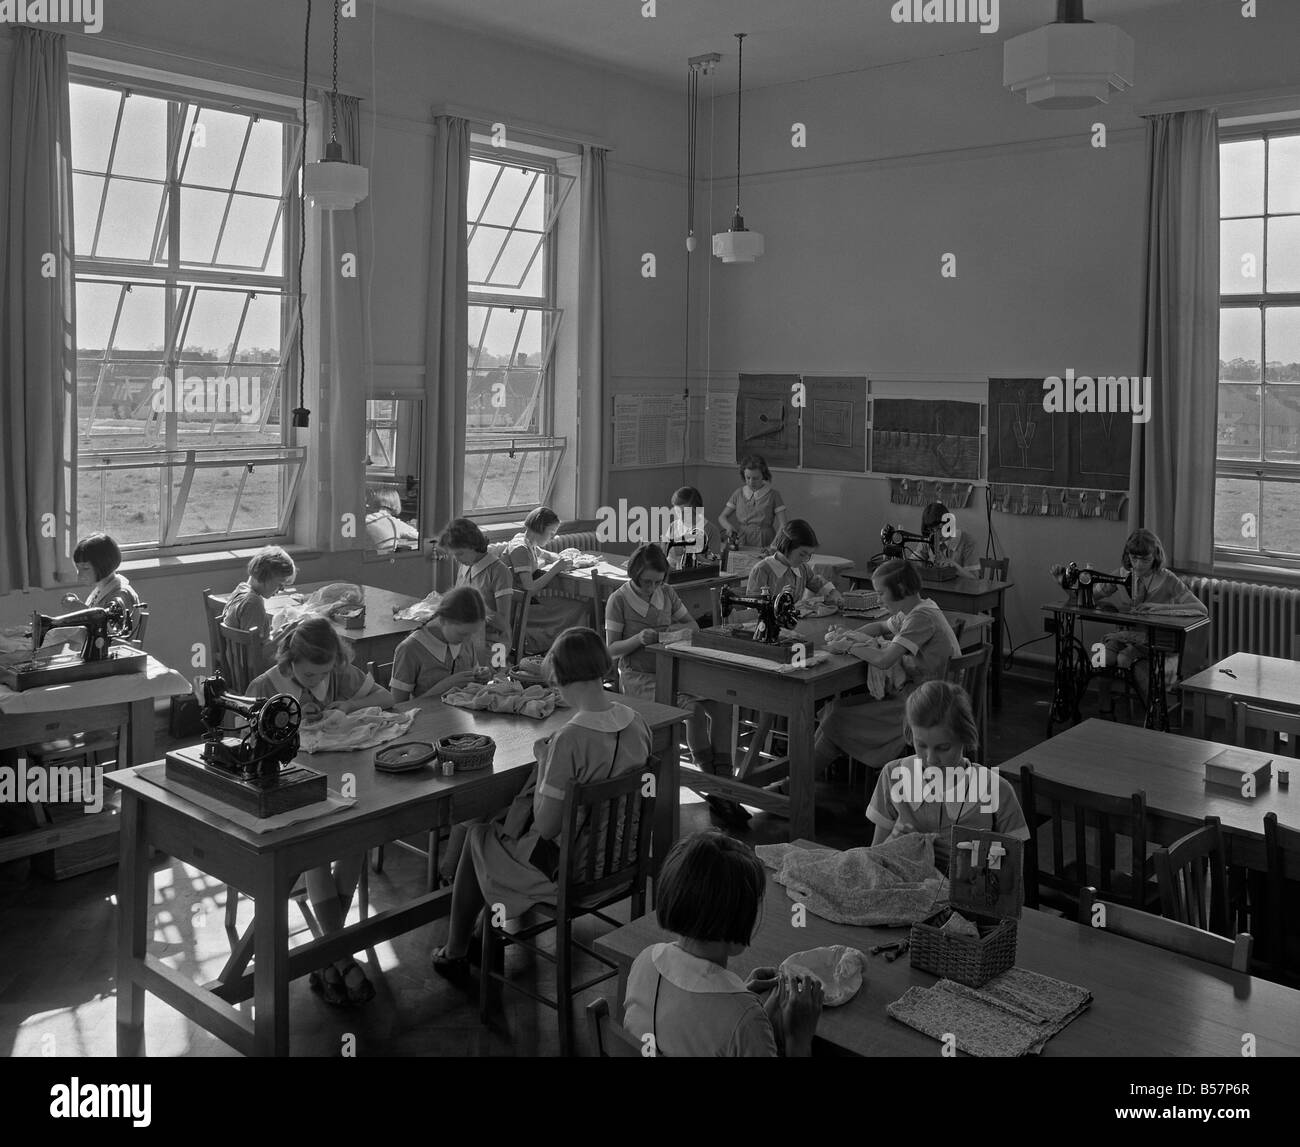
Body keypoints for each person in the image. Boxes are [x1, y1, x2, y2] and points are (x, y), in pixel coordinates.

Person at [430, 628, 652, 980]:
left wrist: (546, 764)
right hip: (620, 864)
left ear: (559, 679)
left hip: (569, 874)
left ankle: (454, 951)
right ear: (603, 669)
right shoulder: (637, 723)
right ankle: (477, 937)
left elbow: (548, 827)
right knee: (498, 828)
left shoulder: (568, 741)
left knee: (478, 836)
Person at [247, 617, 394, 1005]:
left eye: (324, 673)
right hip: (290, 794)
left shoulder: (339, 675)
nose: (316, 681)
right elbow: (245, 745)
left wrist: (348, 703)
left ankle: (329, 959)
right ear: (289, 660)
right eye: (309, 673)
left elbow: (388, 699)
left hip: (343, 780)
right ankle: (339, 958)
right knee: (316, 842)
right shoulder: (265, 687)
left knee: (356, 836)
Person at [622, 831, 824, 1057]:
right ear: (741, 919)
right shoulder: (746, 1023)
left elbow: (690, 1020)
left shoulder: (645, 961)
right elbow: (734, 1029)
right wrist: (799, 1038)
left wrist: (741, 997)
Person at [604, 543, 745, 825]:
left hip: (673, 670)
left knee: (722, 702)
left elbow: (693, 627)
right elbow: (611, 650)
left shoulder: (666, 593)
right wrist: (637, 640)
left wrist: (673, 632)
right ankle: (709, 782)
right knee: (691, 710)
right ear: (634, 574)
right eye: (646, 582)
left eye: (657, 581)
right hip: (639, 676)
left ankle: (724, 781)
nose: (651, 587)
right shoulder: (618, 600)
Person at [812, 558, 961, 779]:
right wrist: (849, 633)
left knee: (837, 718)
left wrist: (849, 646)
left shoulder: (921, 617)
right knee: (834, 711)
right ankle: (799, 781)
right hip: (925, 694)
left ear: (900, 589)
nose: (879, 599)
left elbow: (884, 660)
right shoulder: (916, 609)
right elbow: (881, 625)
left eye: (881, 593)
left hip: (927, 706)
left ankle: (798, 785)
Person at [867, 680, 1028, 873]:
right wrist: (893, 844)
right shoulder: (893, 776)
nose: (931, 758)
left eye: (943, 748)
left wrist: (964, 858)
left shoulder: (996, 790)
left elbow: (1013, 870)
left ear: (965, 737)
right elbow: (872, 859)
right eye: (921, 745)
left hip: (967, 901)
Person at [1051, 527, 1207, 714]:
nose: (1139, 565)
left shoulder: (1168, 580)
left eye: (1145, 559)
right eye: (1134, 559)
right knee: (1100, 658)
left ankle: (1151, 713)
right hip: (1124, 636)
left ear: (1155, 556)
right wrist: (1064, 584)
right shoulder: (1121, 575)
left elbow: (1201, 609)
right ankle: (1104, 706)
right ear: (1128, 556)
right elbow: (1084, 600)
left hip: (1154, 640)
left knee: (1125, 658)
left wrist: (1159, 608)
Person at [506, 506, 586, 655]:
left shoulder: (526, 541)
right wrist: (556, 568)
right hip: (519, 610)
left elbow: (546, 555)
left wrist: (565, 558)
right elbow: (530, 589)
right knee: (579, 608)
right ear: (541, 528)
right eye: (551, 532)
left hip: (525, 603)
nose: (553, 537)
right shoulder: (520, 549)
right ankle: (567, 651)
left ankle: (566, 649)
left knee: (578, 606)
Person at [390, 585, 490, 703]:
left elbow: (473, 687)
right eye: (462, 634)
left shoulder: (466, 642)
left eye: (472, 633)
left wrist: (481, 677)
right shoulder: (410, 649)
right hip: (426, 719)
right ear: (443, 620)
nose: (468, 640)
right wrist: (444, 687)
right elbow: (398, 707)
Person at [44, 533, 142, 649]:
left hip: (114, 657)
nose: (80, 574)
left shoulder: (122, 595)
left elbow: (112, 636)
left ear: (103, 565)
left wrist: (81, 610)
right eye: (78, 568)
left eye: (85, 568)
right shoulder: (100, 591)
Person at [439, 517, 513, 652]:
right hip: (468, 636)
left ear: (473, 545)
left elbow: (503, 624)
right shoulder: (465, 566)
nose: (457, 559)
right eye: (454, 555)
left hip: (496, 644)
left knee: (466, 666)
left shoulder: (499, 571)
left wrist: (476, 608)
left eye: (460, 554)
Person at [745, 519, 842, 606]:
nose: (805, 559)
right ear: (786, 547)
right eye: (802, 554)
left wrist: (832, 592)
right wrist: (778, 598)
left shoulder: (802, 568)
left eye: (809, 555)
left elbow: (817, 583)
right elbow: (754, 606)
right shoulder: (762, 570)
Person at [221, 546, 297, 652]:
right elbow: (258, 655)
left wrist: (275, 633)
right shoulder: (253, 603)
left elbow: (255, 640)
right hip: (254, 667)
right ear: (265, 576)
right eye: (280, 583)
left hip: (237, 663)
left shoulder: (241, 589)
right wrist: (286, 633)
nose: (282, 588)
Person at [717, 455, 787, 549]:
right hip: (742, 539)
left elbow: (784, 524)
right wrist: (728, 527)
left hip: (766, 540)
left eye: (756, 478)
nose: (751, 482)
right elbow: (722, 517)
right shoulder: (738, 493)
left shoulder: (773, 495)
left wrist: (774, 545)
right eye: (748, 478)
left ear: (763, 475)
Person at [661, 486, 720, 569]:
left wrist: (690, 553)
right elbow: (663, 557)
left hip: (698, 577)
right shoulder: (673, 526)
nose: (680, 516)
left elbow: (715, 563)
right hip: (671, 575)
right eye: (677, 511)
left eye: (685, 512)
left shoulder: (710, 530)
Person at [915, 501, 978, 573]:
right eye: (931, 530)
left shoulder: (967, 542)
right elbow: (913, 563)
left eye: (939, 528)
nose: (936, 534)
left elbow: (974, 578)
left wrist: (953, 566)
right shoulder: (929, 538)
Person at [365, 485, 419, 553]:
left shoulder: (364, 520)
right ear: (396, 504)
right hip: (385, 560)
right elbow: (419, 536)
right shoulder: (396, 524)